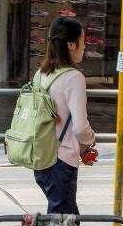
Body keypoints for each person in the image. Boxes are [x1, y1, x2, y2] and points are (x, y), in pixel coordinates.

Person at [32, 17, 95, 215]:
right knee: (62, 225)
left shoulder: (40, 74)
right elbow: (80, 128)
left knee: (63, 218)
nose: (84, 47)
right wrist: (90, 140)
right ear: (71, 44)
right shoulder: (74, 77)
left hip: (40, 158)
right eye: (83, 41)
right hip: (61, 161)